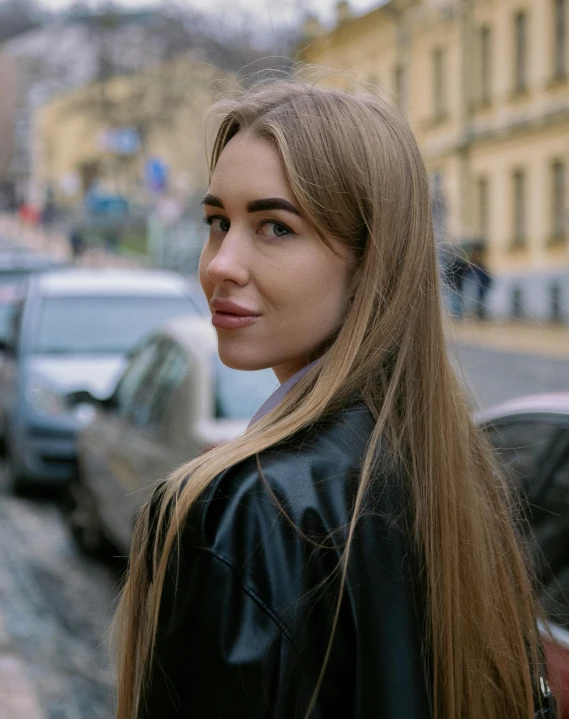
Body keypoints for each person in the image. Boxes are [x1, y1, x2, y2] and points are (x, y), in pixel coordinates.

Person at [114, 80, 554, 719]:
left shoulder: (246, 511)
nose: (219, 264)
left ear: (371, 259)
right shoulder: (457, 474)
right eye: (217, 222)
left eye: (274, 226)